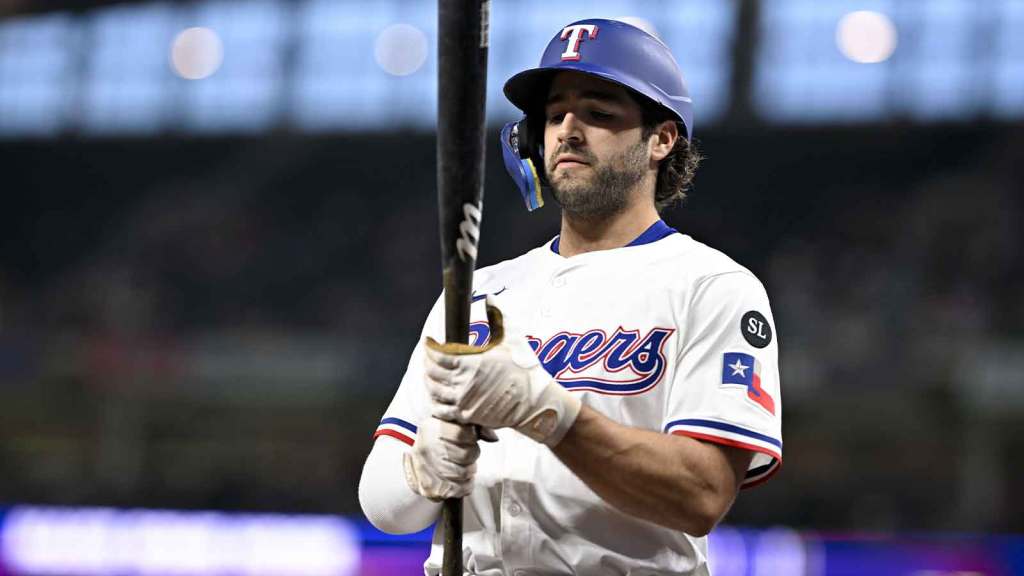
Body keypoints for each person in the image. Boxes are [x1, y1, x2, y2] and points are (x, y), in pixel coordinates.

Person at [359, 18, 782, 576]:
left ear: (662, 139)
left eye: (600, 114)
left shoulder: (712, 287)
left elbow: (700, 495)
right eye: (555, 115)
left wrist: (551, 413)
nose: (568, 131)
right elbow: (384, 508)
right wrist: (423, 467)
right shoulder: (476, 291)